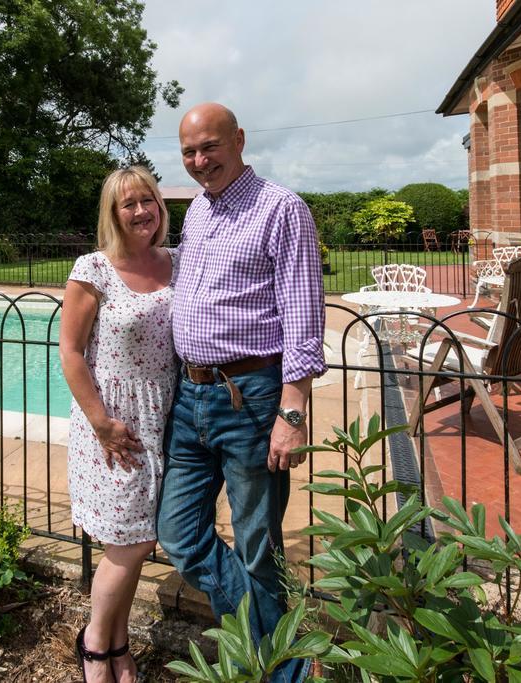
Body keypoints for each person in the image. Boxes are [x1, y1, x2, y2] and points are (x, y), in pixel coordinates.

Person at [156, 103, 325, 683]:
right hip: (190, 396)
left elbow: (303, 317)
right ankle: (269, 646)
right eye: (189, 152)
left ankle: (280, 672)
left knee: (257, 545)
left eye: (210, 147)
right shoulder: (198, 212)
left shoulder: (281, 209)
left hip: (251, 396)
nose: (200, 161)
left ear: (239, 140)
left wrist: (293, 411)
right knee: (178, 535)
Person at [59, 166, 178, 683]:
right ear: (113, 212)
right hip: (114, 426)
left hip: (166, 418)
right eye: (128, 203)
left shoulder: (176, 261)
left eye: (147, 200)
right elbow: (70, 351)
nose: (140, 211)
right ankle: (94, 647)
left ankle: (117, 642)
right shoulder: (94, 269)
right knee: (128, 543)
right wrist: (102, 423)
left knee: (137, 542)